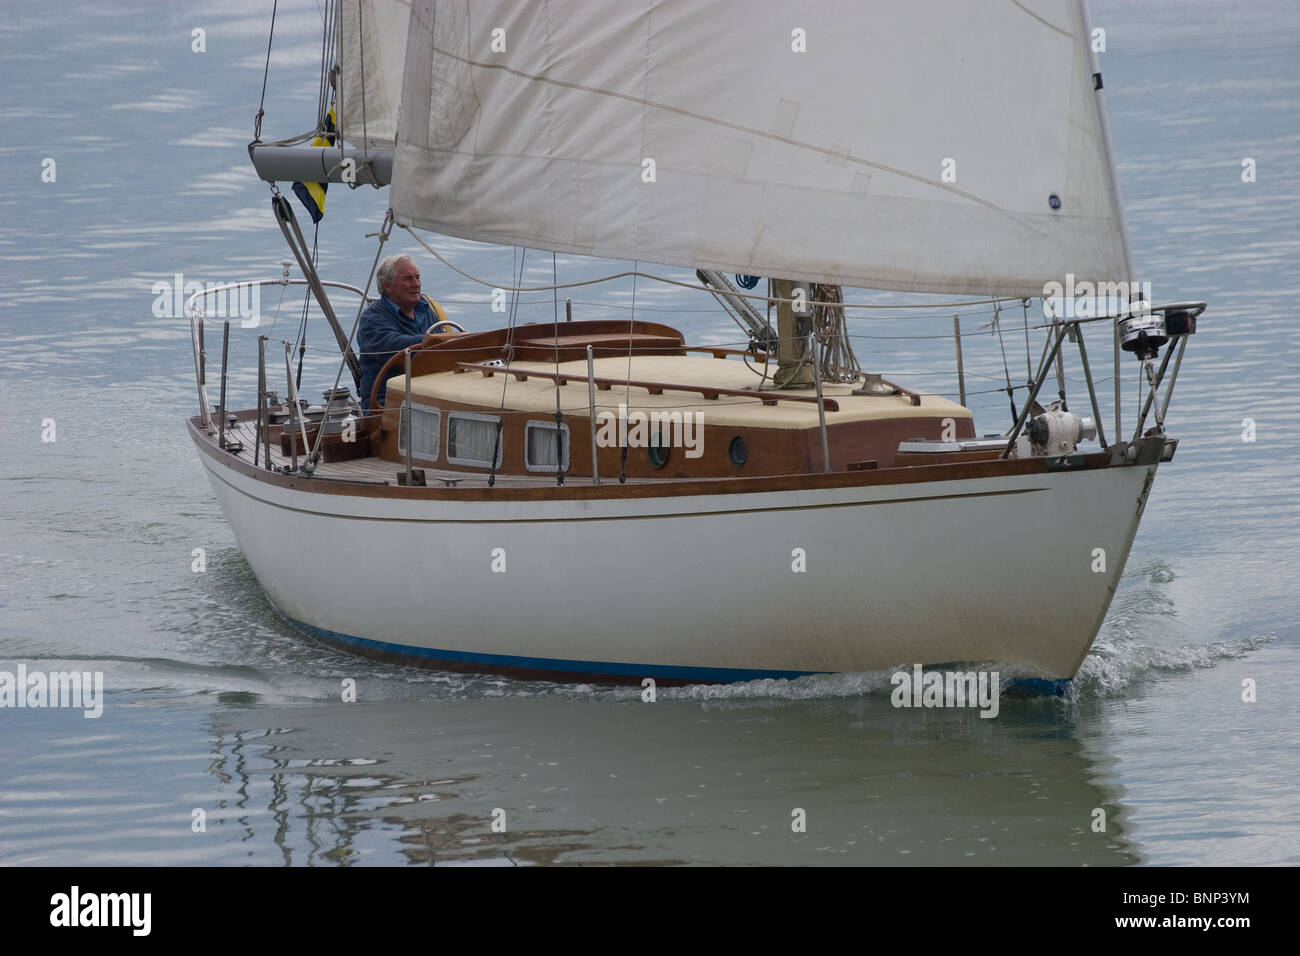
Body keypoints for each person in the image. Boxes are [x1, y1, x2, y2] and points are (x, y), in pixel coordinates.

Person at [357, 254, 446, 409]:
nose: (416, 284)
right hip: (387, 404)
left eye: (417, 277)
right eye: (408, 279)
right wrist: (430, 341)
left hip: (428, 397)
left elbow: (440, 344)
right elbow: (393, 345)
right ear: (387, 286)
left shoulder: (426, 309)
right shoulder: (372, 320)